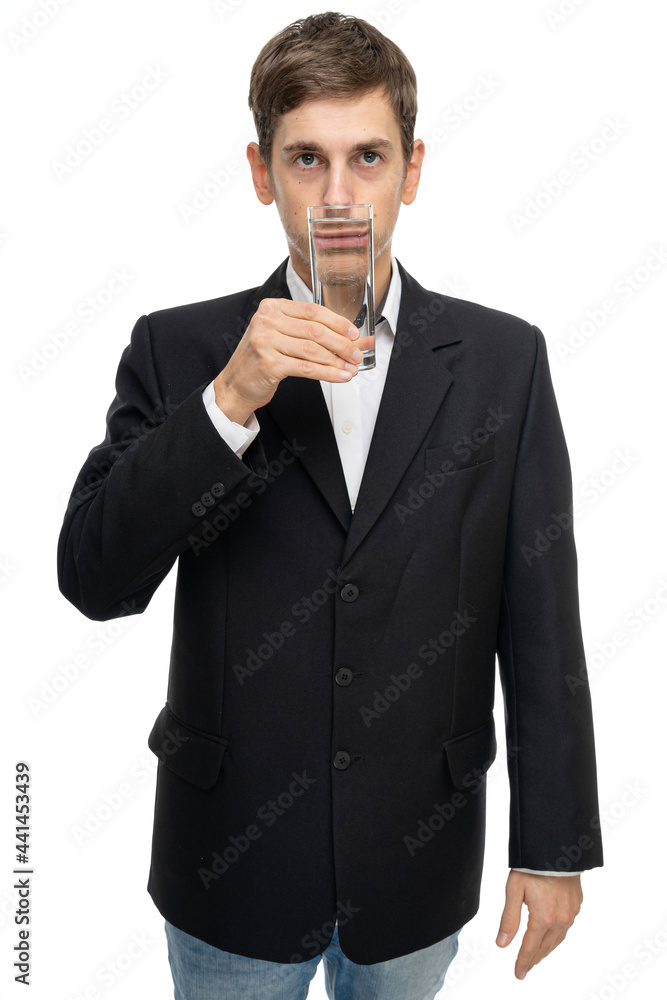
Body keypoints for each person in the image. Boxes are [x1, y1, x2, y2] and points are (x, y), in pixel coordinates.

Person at [57, 12, 603, 999]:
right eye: (307, 158)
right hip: (230, 861)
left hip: (418, 856)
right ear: (263, 171)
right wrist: (228, 403)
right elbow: (95, 578)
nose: (340, 195)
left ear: (413, 167)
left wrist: (553, 844)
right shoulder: (179, 350)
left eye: (368, 157)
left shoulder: (501, 361)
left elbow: (539, 620)